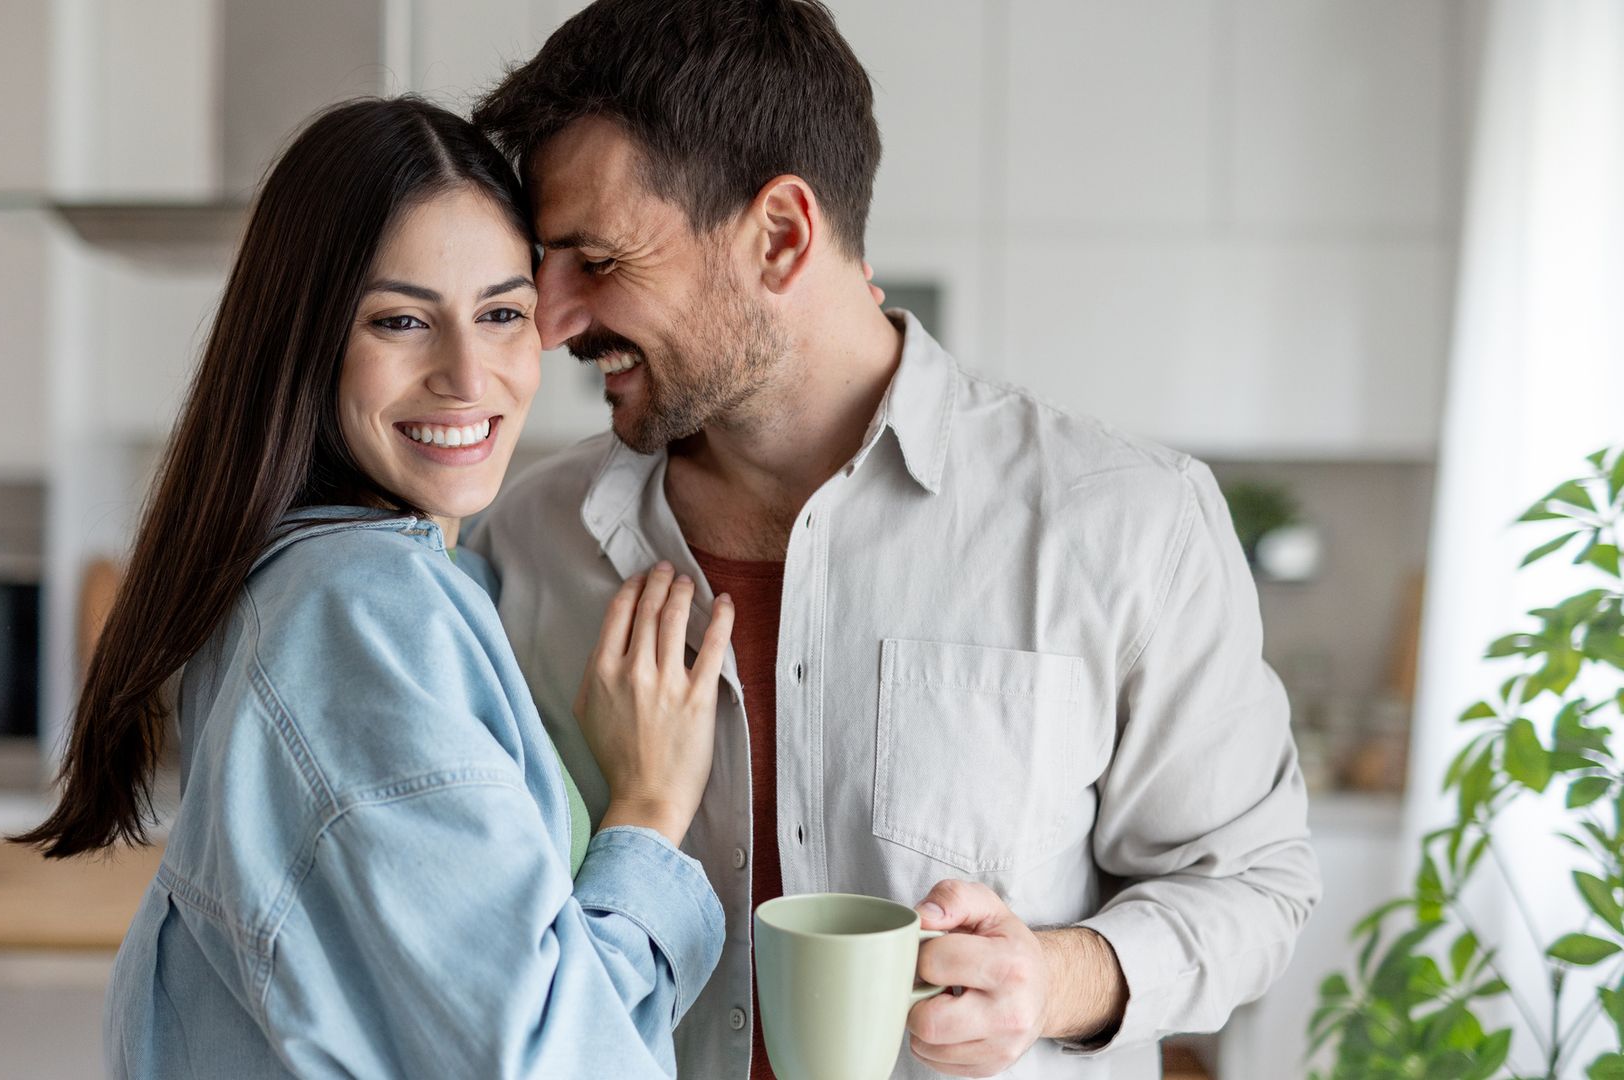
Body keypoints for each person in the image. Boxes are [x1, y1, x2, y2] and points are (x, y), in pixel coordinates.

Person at [463, 1, 1323, 1077]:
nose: (548, 319)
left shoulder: (1126, 521)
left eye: (595, 259)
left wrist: (1053, 977)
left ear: (780, 235)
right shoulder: (523, 543)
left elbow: (1252, 885)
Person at [12, 96, 736, 1079]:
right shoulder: (356, 613)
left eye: (501, 314)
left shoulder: (333, 586)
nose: (468, 374)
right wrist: (649, 811)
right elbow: (551, 1063)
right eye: (401, 320)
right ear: (307, 342)